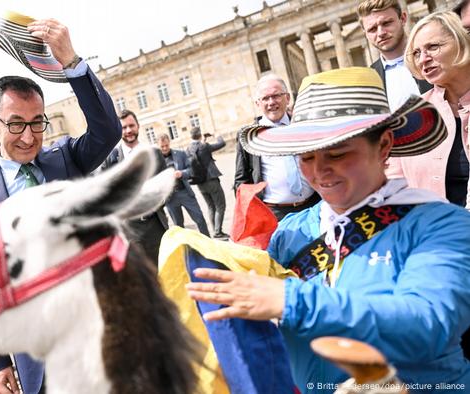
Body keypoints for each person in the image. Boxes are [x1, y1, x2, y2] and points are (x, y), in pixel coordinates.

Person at [187, 67, 470, 391]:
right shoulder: (290, 233)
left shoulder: (442, 226)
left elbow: (426, 325)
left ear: (384, 145)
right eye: (305, 156)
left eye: (337, 153)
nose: (320, 171)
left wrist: (289, 300)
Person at [0, 18, 121, 394]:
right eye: (15, 124)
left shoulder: (66, 160)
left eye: (37, 123)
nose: (29, 137)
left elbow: (107, 131)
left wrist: (72, 63)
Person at [389, 11, 470, 209]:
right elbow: (392, 183)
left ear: (462, 43)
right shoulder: (410, 116)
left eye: (433, 47)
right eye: (416, 53)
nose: (423, 59)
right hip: (436, 232)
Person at [234, 74, 319, 220]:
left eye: (276, 96)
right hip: (276, 215)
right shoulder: (249, 136)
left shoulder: (305, 125)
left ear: (287, 98)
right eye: (265, 98)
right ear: (258, 104)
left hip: (315, 205)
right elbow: (241, 181)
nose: (271, 102)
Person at [101, 109, 169, 261]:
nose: (128, 130)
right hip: (128, 230)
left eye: (131, 126)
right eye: (124, 127)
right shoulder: (110, 159)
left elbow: (166, 187)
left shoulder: (154, 153)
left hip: (155, 226)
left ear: (138, 126)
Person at [358, 0, 432, 110]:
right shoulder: (368, 81)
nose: (381, 33)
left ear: (403, 18)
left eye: (386, 23)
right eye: (372, 29)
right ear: (365, 33)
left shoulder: (432, 56)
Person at [157, 133, 210, 236]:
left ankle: (208, 242)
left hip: (185, 192)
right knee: (178, 227)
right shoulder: (155, 160)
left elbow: (191, 170)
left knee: (200, 219)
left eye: (166, 145)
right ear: (158, 145)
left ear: (169, 143)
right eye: (162, 146)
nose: (165, 148)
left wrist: (182, 173)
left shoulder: (180, 154)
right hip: (170, 198)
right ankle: (184, 249)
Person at [186, 127, 228, 239]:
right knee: (220, 205)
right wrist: (216, 134)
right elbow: (222, 143)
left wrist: (203, 140)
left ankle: (215, 230)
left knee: (210, 206)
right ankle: (218, 231)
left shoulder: (188, 148)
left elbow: (199, 154)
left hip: (200, 182)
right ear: (200, 135)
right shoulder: (204, 146)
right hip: (211, 180)